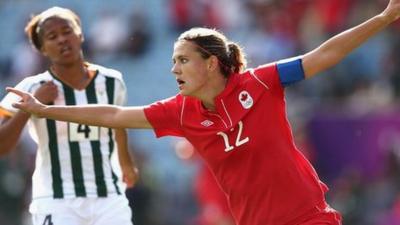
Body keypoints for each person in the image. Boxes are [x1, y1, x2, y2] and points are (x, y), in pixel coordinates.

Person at [6, 1, 400, 224]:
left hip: (309, 217)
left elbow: (323, 54)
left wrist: (382, 19)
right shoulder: (179, 112)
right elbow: (113, 115)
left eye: (182, 61)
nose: (174, 70)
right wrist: (46, 110)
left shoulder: (261, 82)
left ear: (211, 63)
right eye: (172, 61)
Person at [0, 7, 139, 225]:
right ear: (42, 48)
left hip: (109, 196)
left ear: (81, 34)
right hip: (56, 199)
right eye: (52, 37)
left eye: (67, 31)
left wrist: (125, 160)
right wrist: (29, 109)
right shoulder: (30, 87)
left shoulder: (113, 81)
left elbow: (117, 122)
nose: (62, 39)